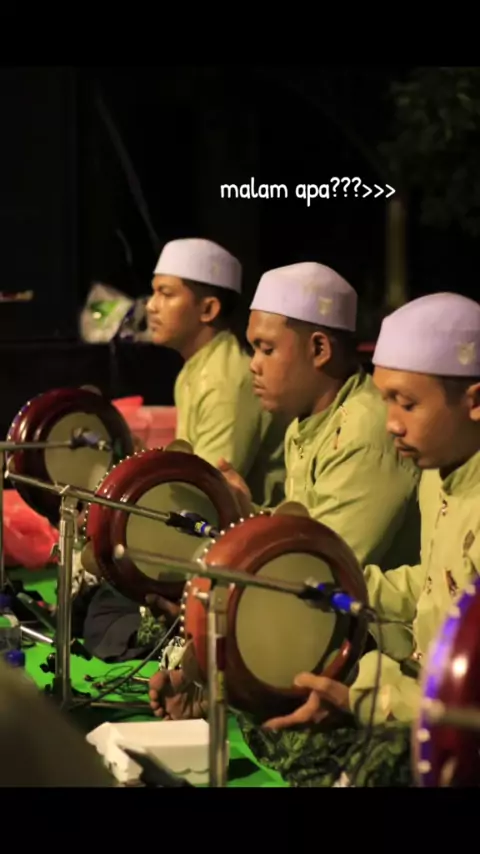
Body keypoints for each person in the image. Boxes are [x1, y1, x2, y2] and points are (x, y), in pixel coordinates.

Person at [148, 263, 426, 765]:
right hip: (324, 614)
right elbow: (301, 545)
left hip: (370, 639)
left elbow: (313, 578)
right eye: (253, 348)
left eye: (266, 349)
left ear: (319, 349)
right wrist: (249, 515)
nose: (253, 365)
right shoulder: (308, 421)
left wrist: (200, 669)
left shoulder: (363, 429)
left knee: (283, 727)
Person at [234, 291, 480, 787]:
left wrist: (368, 700)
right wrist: (332, 585)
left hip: (454, 715)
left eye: (407, 404)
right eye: (386, 400)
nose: (391, 424)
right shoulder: (438, 474)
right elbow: (433, 584)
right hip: (408, 677)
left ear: (474, 402)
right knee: (260, 707)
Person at [147, 238, 287, 508]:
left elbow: (205, 493)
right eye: (154, 293)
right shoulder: (196, 368)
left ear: (208, 309)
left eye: (166, 294)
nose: (151, 305)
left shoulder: (225, 380)